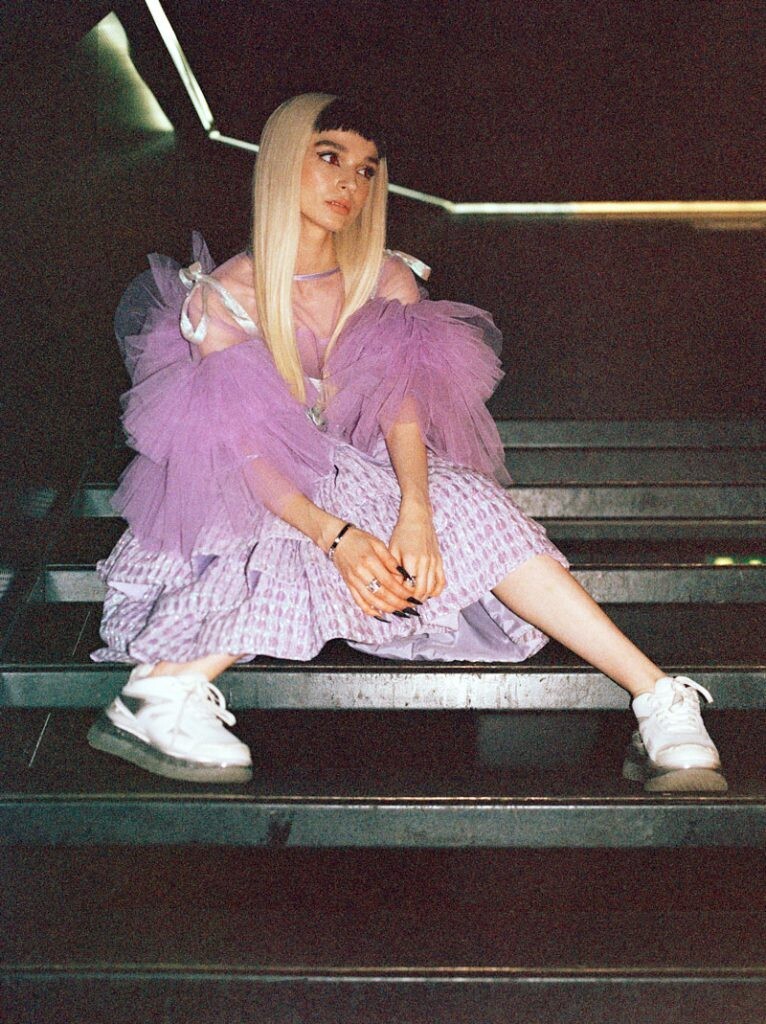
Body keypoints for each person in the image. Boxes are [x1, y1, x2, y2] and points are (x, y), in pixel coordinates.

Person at [88, 93, 725, 792]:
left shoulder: (384, 277)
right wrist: (336, 537)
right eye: (329, 157)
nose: (349, 184)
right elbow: (247, 454)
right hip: (251, 487)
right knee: (295, 516)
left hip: (354, 470)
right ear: (281, 163)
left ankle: (658, 697)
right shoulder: (221, 297)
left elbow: (401, 409)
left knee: (465, 499)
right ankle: (165, 689)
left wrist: (415, 510)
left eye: (366, 170)